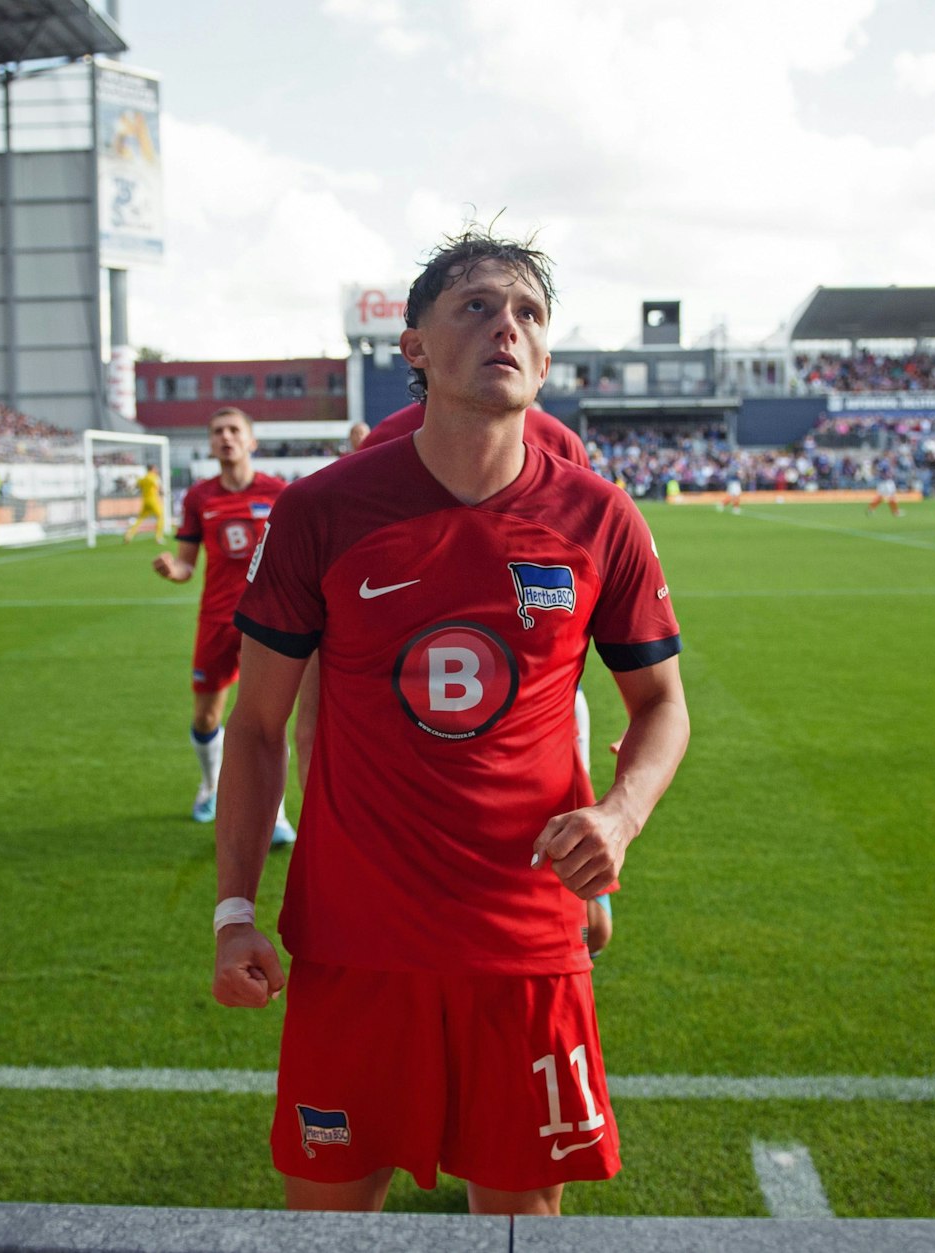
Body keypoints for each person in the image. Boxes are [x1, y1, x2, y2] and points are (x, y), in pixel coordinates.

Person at [211, 231, 689, 1216]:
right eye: (474, 306)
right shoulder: (321, 512)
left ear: (545, 362)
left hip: (525, 941)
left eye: (525, 314)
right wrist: (233, 911)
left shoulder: (600, 517)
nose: (503, 326)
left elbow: (660, 704)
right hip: (355, 941)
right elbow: (259, 727)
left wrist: (618, 817)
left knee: (519, 1222)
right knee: (328, 1224)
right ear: (414, 347)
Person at [309, 399, 617, 957]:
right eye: (476, 307)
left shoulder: (559, 440)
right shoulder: (387, 436)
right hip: (408, 704)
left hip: (538, 710)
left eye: (527, 316)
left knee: (584, 924)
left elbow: (586, 569)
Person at [151, 407, 295, 844]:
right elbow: (186, 565)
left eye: (234, 430)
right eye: (217, 432)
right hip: (216, 619)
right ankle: (211, 785)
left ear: (251, 441)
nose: (226, 437)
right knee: (206, 715)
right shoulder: (199, 497)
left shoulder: (279, 492)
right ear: (210, 444)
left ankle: (276, 816)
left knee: (268, 721)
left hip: (266, 621)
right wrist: (171, 568)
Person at [124, 464, 168, 544]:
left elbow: (136, 486)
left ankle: (129, 534)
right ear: (153, 469)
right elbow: (159, 488)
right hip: (154, 500)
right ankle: (159, 537)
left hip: (145, 500)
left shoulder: (143, 478)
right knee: (160, 517)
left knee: (140, 518)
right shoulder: (155, 477)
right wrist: (164, 493)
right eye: (155, 468)